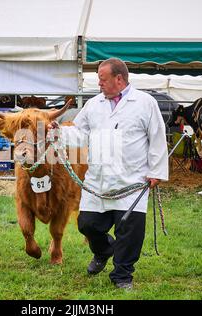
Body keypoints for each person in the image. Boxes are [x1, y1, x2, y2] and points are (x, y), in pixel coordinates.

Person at [48, 58, 168, 290]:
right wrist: (59, 133)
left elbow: (157, 138)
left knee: (129, 232)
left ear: (119, 79)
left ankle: (122, 276)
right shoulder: (93, 104)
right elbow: (80, 133)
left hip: (132, 180)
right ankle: (103, 251)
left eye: (102, 79)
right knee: (87, 224)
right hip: (98, 180)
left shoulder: (145, 103)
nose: (99, 84)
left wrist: (157, 171)